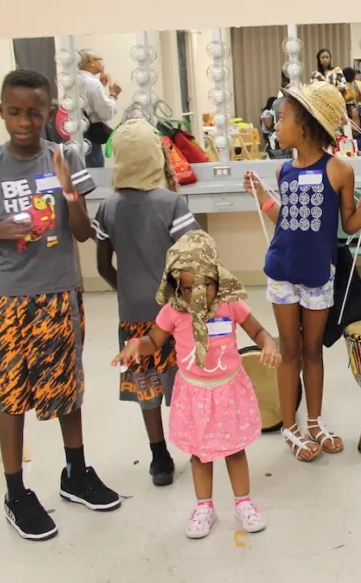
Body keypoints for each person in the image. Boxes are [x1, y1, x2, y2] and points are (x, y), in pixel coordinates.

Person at [0, 69, 118, 541]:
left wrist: (68, 190)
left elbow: (85, 232)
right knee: (12, 393)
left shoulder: (64, 156)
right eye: (14, 111)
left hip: (59, 290)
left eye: (34, 112)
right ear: (2, 111)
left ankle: (75, 473)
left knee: (68, 385)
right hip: (8, 296)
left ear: (50, 114)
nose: (23, 121)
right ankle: (15, 492)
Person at [244, 81, 361, 462]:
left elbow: (351, 225)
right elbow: (285, 221)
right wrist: (262, 199)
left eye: (283, 117)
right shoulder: (282, 170)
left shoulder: (338, 170)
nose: (276, 125)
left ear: (306, 124)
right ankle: (290, 426)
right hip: (282, 270)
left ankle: (315, 421)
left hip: (318, 275)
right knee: (289, 350)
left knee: (313, 351)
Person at [112, 231, 281, 539]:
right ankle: (204, 507)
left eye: (205, 286)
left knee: (234, 451)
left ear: (218, 278)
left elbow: (257, 331)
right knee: (200, 455)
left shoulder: (230, 305)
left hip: (228, 389)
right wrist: (137, 344)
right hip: (194, 393)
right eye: (188, 288)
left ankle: (243, 502)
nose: (197, 295)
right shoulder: (174, 310)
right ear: (177, 285)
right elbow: (154, 341)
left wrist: (268, 343)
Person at [93, 119, 200, 487]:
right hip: (174, 314)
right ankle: (197, 445)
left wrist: (125, 290)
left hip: (132, 317)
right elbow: (193, 258)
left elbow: (102, 265)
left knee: (147, 386)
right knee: (185, 380)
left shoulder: (107, 208)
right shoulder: (171, 203)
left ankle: (159, 457)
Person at [77, 50, 121, 167]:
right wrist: (113, 95)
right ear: (91, 61)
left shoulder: (73, 80)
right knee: (95, 175)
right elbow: (106, 113)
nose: (102, 63)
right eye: (100, 59)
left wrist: (101, 86)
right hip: (90, 138)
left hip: (75, 135)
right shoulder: (92, 83)